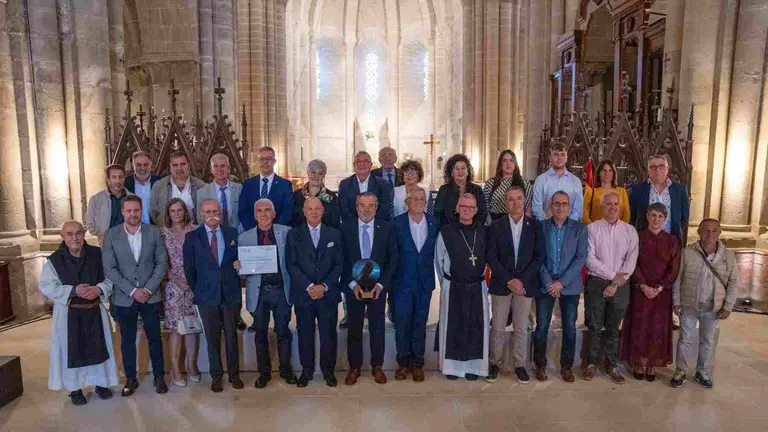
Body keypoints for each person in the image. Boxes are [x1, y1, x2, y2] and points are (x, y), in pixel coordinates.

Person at [40, 221, 118, 406]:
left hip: (95, 312)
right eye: (70, 234)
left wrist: (99, 289)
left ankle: (101, 384)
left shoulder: (97, 254)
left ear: (84, 234)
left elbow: (111, 277)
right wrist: (74, 290)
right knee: (72, 350)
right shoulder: (55, 260)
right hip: (69, 314)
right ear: (63, 236)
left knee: (100, 348)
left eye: (78, 233)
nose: (75, 238)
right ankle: (75, 389)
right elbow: (46, 285)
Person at [101, 195, 169, 396]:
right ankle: (131, 378)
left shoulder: (154, 232)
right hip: (124, 297)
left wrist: (147, 289)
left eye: (136, 210)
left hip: (151, 296)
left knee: (155, 338)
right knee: (127, 339)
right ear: (122, 212)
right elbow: (110, 268)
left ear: (141, 211)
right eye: (129, 210)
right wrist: (132, 291)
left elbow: (161, 263)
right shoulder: (111, 235)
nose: (133, 214)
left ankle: (159, 377)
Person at [670, 219, 740, 389]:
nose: (710, 234)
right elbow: (678, 278)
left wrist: (728, 305)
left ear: (719, 233)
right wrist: (677, 301)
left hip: (713, 306)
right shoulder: (687, 253)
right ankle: (681, 370)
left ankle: (703, 372)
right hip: (689, 304)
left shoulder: (728, 257)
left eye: (714, 231)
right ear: (699, 232)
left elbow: (734, 282)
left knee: (707, 341)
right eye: (706, 230)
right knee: (684, 339)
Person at [183, 199, 244, 393]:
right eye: (208, 211)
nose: (212, 214)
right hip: (206, 296)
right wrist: (199, 290)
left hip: (230, 294)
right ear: (201, 215)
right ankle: (216, 376)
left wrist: (239, 267)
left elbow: (240, 262)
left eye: (215, 211)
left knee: (232, 337)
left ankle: (234, 375)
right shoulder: (192, 237)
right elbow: (189, 270)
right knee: (212, 338)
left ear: (221, 213)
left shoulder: (232, 234)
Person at [486, 186, 543, 384]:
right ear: (505, 202)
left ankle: (520, 364)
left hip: (525, 286)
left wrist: (522, 281)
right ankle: (495, 362)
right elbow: (491, 256)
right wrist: (510, 280)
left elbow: (539, 257)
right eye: (511, 199)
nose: (515, 203)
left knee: (521, 327)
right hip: (502, 284)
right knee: (498, 327)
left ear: (524, 201)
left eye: (519, 198)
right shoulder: (496, 225)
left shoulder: (535, 226)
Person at [341, 192, 399, 385]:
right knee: (354, 328)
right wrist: (351, 284)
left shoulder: (387, 228)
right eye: (362, 205)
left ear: (376, 207)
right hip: (354, 287)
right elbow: (341, 261)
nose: (366, 209)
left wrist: (382, 285)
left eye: (370, 205)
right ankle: (354, 367)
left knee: (377, 328)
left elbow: (393, 260)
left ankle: (377, 366)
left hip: (378, 288)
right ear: (356, 207)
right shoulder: (345, 228)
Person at [619, 203, 681, 381]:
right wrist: (643, 285)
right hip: (640, 290)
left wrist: (660, 286)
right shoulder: (637, 237)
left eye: (660, 216)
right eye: (653, 215)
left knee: (657, 328)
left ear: (665, 219)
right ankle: (638, 361)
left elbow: (674, 267)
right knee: (640, 325)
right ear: (647, 216)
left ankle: (652, 363)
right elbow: (632, 262)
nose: (656, 219)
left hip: (662, 292)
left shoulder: (672, 240)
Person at [286, 197, 343, 387]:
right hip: (304, 294)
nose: (314, 212)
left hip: (328, 294)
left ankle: (328, 371)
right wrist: (309, 286)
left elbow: (339, 264)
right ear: (303, 211)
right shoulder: (293, 235)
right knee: (305, 334)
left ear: (323, 211)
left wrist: (324, 286)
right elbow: (291, 265)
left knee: (329, 335)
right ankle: (306, 371)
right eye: (309, 208)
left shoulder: (334, 234)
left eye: (317, 208)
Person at [239, 199, 296, 388]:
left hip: (281, 291)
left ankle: (286, 370)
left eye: (267, 210)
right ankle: (264, 373)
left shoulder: (287, 233)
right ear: (255, 215)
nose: (263, 214)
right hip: (259, 293)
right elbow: (242, 270)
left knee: (283, 332)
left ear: (274, 213)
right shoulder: (244, 237)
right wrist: (239, 267)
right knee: (260, 334)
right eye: (259, 211)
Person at [583, 191, 639, 384]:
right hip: (597, 283)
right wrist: (611, 277)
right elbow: (589, 259)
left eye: (616, 204)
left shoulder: (630, 231)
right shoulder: (591, 229)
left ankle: (612, 364)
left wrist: (615, 283)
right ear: (601, 206)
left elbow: (630, 261)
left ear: (621, 207)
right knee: (595, 326)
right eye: (608, 204)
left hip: (621, 285)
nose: (613, 207)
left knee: (613, 328)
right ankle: (591, 363)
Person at [534, 191, 588, 383]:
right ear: (550, 206)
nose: (560, 207)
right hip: (545, 284)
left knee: (569, 327)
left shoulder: (580, 229)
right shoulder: (540, 227)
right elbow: (537, 257)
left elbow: (580, 258)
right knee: (541, 327)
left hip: (569, 285)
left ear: (570, 207)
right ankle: (539, 364)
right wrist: (549, 282)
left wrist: (562, 282)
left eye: (564, 204)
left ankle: (566, 366)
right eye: (556, 203)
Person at [435, 193, 489, 380]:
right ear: (457, 208)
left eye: (471, 207)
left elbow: (488, 260)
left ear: (476, 210)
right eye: (463, 207)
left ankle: (474, 367)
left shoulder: (484, 231)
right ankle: (452, 368)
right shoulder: (446, 232)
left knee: (476, 326)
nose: (467, 210)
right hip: (454, 286)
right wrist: (447, 283)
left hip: (477, 286)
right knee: (454, 326)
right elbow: (439, 260)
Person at [392, 188, 439, 382]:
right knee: (402, 324)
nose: (419, 201)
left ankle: (417, 364)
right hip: (402, 283)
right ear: (407, 201)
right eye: (415, 199)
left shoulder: (434, 223)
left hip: (424, 282)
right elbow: (392, 254)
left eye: (422, 199)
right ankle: (403, 363)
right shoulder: (396, 223)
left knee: (420, 323)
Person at [159, 198, 200, 387]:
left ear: (185, 211)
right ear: (168, 213)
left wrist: (192, 281)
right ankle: (175, 369)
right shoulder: (163, 233)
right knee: (176, 328)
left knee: (192, 327)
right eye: (173, 210)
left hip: (194, 284)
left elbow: (201, 257)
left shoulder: (195, 230)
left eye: (179, 210)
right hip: (173, 286)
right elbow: (161, 261)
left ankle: (191, 365)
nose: (176, 213)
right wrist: (176, 280)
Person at [629, 154, 690, 245]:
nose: (657, 170)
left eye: (661, 166)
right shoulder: (638, 190)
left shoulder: (679, 190)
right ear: (648, 170)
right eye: (653, 167)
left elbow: (684, 217)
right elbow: (633, 216)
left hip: (671, 241)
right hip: (645, 242)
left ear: (667, 168)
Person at [239, 146, 294, 230]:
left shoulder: (285, 185)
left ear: (274, 161)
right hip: (252, 233)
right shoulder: (248, 184)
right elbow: (243, 210)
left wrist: (273, 230)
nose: (265, 162)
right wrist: (255, 230)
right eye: (262, 159)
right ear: (258, 161)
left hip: (277, 233)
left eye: (269, 159)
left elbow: (287, 211)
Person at [150, 151, 205, 226]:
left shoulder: (201, 186)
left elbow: (206, 212)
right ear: (170, 167)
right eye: (175, 165)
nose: (179, 168)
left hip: (194, 233)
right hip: (167, 234)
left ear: (188, 165)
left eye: (183, 164)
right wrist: (165, 229)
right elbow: (154, 212)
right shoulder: (159, 186)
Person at [531, 143, 583, 221]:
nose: (559, 158)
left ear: (567, 157)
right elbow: (536, 207)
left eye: (562, 154)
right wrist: (548, 224)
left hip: (569, 228)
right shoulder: (540, 180)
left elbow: (578, 210)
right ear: (550, 157)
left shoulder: (576, 181)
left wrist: (567, 226)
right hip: (545, 227)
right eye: (555, 154)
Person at [434, 154, 488, 229]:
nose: (460, 171)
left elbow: (482, 213)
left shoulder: (477, 189)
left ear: (467, 171)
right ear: (452, 173)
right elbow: (438, 215)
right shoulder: (444, 190)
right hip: (449, 232)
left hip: (472, 231)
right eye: (457, 169)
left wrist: (473, 229)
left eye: (463, 168)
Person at [338, 151, 394, 221]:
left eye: (365, 161)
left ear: (371, 165)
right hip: (352, 226)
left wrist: (373, 224)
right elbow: (344, 210)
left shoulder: (382, 184)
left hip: (377, 226)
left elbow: (385, 208)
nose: (362, 164)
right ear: (354, 165)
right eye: (358, 161)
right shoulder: (345, 184)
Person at [85, 164, 133, 242]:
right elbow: (90, 224)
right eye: (114, 177)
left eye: (121, 177)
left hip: (129, 241)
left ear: (124, 178)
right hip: (107, 242)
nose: (118, 181)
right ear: (108, 179)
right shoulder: (95, 199)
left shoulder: (133, 197)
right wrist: (101, 235)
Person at [197, 153, 243, 230]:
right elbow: (200, 220)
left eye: (222, 166)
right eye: (215, 166)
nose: (219, 169)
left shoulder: (240, 189)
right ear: (211, 170)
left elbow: (245, 215)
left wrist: (238, 234)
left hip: (237, 235)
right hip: (213, 237)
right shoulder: (202, 193)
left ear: (228, 168)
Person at [483, 150, 533, 221]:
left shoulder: (524, 182)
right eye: (505, 161)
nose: (508, 163)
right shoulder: (490, 183)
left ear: (515, 164)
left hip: (518, 220)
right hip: (496, 221)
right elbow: (485, 207)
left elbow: (528, 208)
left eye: (511, 160)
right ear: (500, 164)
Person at [291, 159, 341, 229]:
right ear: (308, 173)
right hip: (300, 236)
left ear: (323, 176)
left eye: (320, 173)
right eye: (313, 172)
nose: (316, 176)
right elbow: (292, 219)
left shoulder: (331, 197)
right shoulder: (296, 196)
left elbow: (335, 221)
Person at [582, 159, 630, 224]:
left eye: (610, 170)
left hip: (617, 232)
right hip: (596, 232)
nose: (607, 173)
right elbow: (584, 215)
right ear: (599, 173)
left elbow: (626, 215)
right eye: (604, 170)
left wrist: (620, 229)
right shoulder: (591, 192)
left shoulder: (622, 191)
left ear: (614, 173)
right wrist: (593, 229)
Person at [125, 151, 162, 224]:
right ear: (133, 165)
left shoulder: (160, 182)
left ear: (150, 165)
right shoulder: (125, 183)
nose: (142, 168)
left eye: (146, 165)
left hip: (156, 228)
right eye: (138, 165)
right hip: (132, 228)